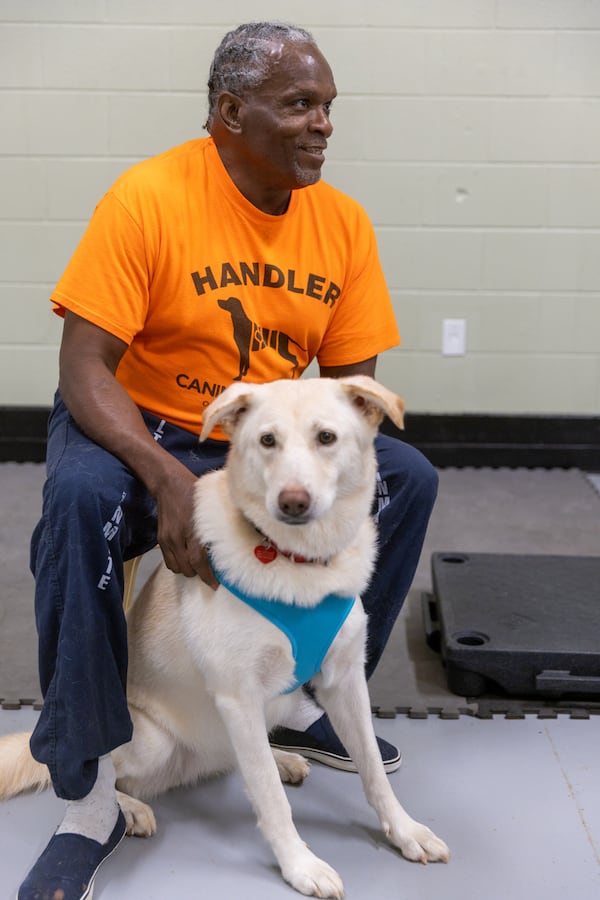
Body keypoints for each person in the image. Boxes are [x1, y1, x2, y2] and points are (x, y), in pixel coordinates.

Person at [18, 21, 438, 900]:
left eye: (327, 107)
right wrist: (167, 474)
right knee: (82, 504)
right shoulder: (149, 198)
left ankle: (314, 693)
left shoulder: (343, 224)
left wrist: (323, 472)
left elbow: (354, 404)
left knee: (408, 477)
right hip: (134, 423)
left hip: (256, 433)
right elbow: (82, 368)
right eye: (299, 106)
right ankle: (87, 780)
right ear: (229, 112)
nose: (323, 124)